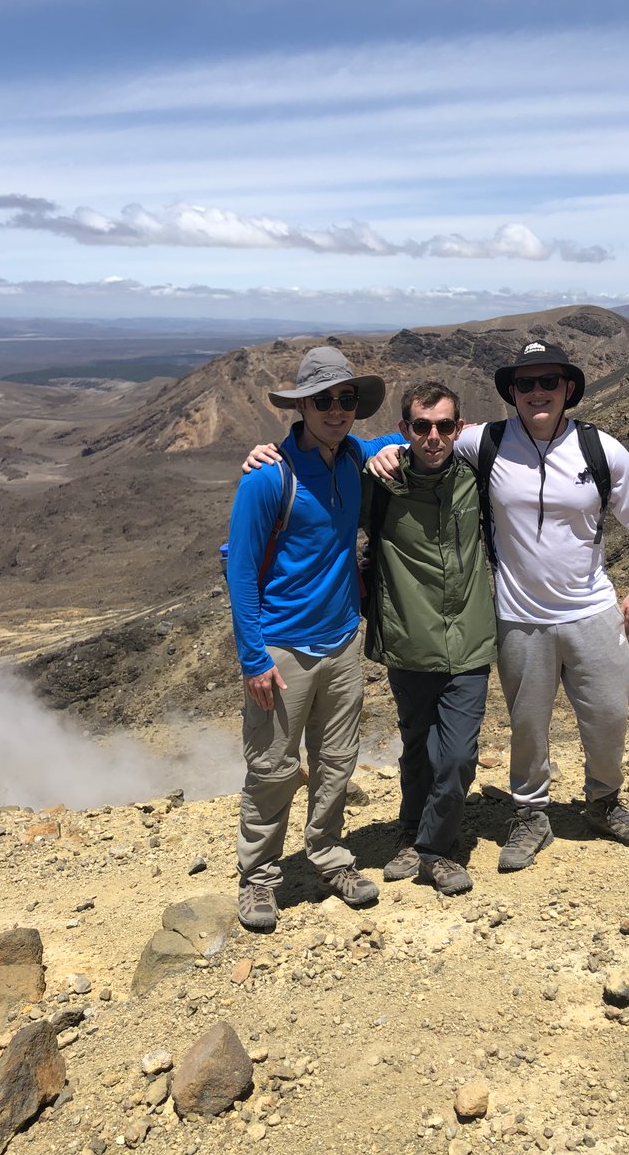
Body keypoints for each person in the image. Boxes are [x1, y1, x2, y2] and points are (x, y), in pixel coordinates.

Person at [368, 340, 629, 872]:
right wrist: (383, 448)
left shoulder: (602, 451)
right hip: (518, 617)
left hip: (593, 610)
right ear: (511, 393)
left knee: (608, 717)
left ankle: (604, 802)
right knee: (527, 727)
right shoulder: (487, 442)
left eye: (547, 382)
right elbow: (428, 435)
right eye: (525, 384)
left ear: (568, 388)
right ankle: (530, 814)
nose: (536, 392)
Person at [226, 346, 403, 931]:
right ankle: (258, 877)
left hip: (342, 642)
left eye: (345, 398)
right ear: (301, 406)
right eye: (322, 399)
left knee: (335, 761)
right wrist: (253, 657)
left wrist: (466, 432)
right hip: (280, 648)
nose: (335, 408)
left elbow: (393, 445)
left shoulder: (353, 455)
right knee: (274, 767)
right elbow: (241, 572)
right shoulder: (267, 476)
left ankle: (328, 855)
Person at [362, 382, 496, 895]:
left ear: (459, 429)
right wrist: (268, 455)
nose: (433, 436)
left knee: (458, 755)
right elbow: (321, 480)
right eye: (422, 426)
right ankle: (409, 830)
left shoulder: (476, 479)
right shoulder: (381, 484)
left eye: (444, 426)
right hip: (408, 639)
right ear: (405, 430)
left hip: (468, 640)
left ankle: (434, 850)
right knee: (417, 746)